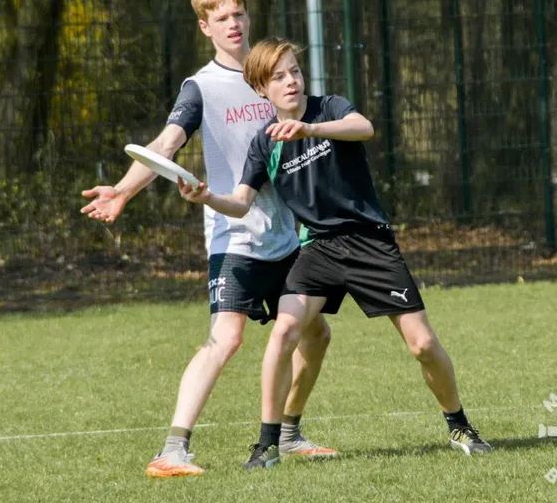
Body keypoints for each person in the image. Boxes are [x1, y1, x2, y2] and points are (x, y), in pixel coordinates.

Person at [178, 36, 492, 470]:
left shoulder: (329, 108)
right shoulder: (264, 143)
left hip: (370, 242)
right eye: (278, 76)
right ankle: (268, 444)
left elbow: (364, 127)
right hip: (318, 250)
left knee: (422, 344)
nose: (291, 81)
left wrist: (310, 129)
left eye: (294, 71)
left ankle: (459, 425)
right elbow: (241, 202)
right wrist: (207, 197)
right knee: (284, 333)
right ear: (261, 89)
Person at [80, 0, 336, 478]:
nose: (233, 24)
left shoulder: (274, 74)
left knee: (317, 335)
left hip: (287, 236)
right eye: (221, 18)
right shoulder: (201, 87)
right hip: (233, 236)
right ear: (205, 27)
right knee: (226, 338)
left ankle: (289, 434)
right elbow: (166, 144)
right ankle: (172, 450)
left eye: (239, 14)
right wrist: (123, 191)